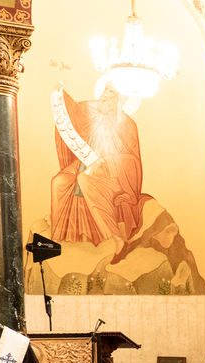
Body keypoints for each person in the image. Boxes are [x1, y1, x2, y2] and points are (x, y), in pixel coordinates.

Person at [50, 84, 149, 258]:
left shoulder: (128, 125)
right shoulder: (92, 110)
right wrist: (61, 95)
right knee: (59, 181)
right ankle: (59, 237)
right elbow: (74, 110)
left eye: (111, 92)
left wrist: (106, 161)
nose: (105, 95)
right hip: (85, 162)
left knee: (85, 180)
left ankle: (118, 240)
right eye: (105, 90)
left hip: (112, 174)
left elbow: (132, 161)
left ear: (120, 99)